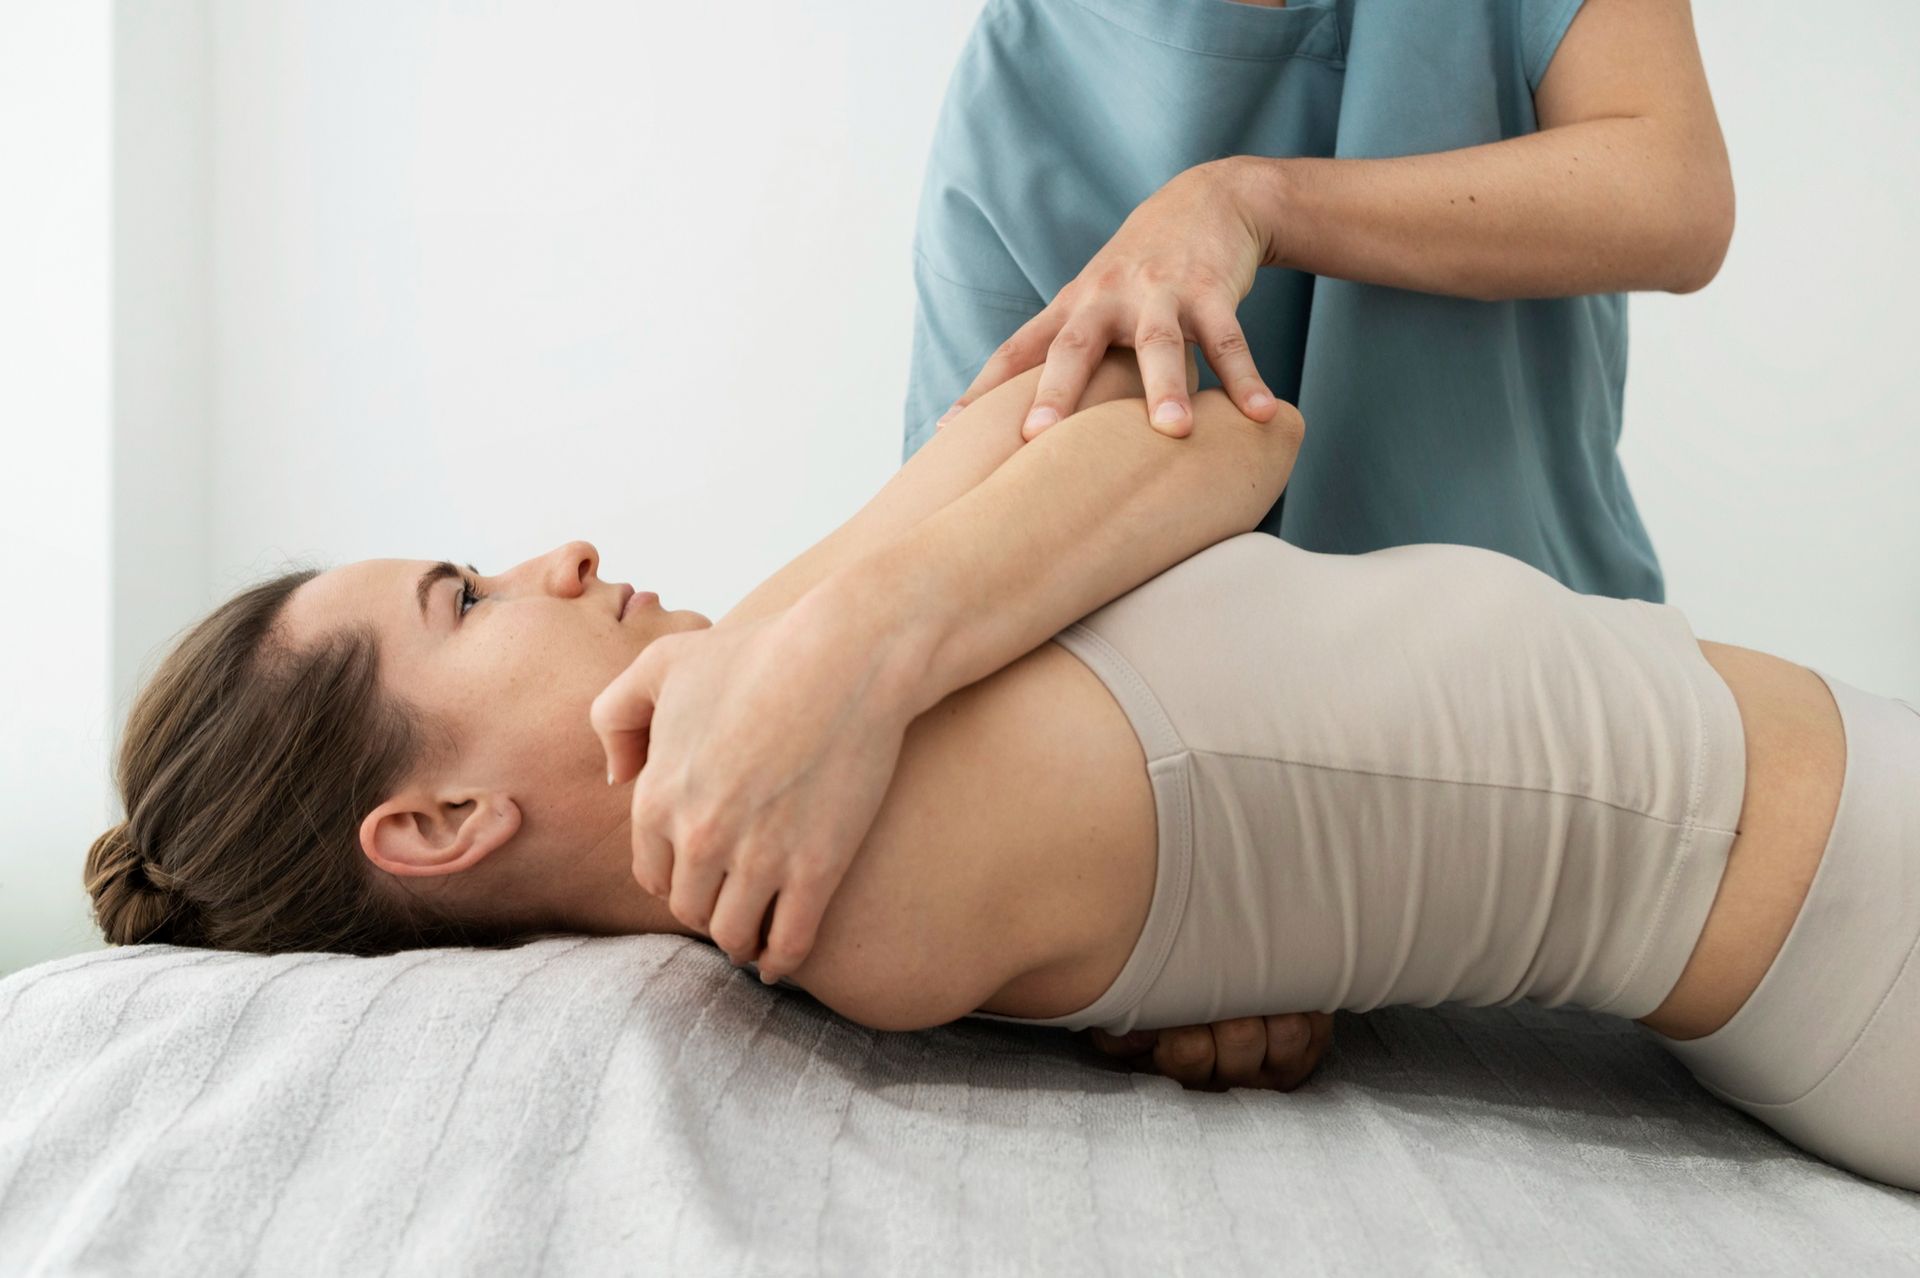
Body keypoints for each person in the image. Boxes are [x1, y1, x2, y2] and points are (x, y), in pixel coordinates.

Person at [86, 358, 1916, 1191]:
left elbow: (1215, 423)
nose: (551, 556)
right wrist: (859, 631)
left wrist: (834, 635)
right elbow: (1182, 440)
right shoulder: (834, 876)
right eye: (463, 597)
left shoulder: (797, 679)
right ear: (432, 824)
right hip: (1860, 921)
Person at [905, 0, 1733, 605]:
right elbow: (956, 541)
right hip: (1191, 760)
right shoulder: (1016, 77)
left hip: (1555, 693)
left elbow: (1676, 196)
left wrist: (1253, 203)